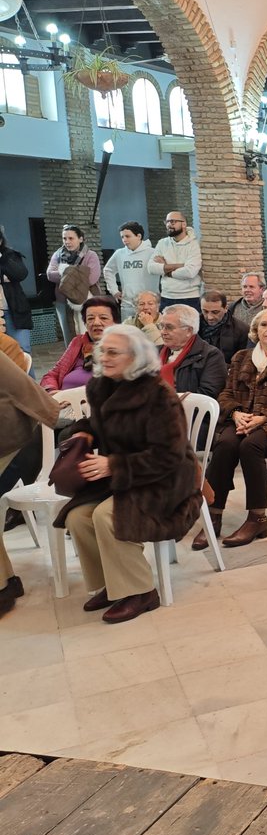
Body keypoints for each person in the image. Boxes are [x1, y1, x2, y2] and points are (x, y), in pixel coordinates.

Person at [55, 324, 201, 623]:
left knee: (106, 516)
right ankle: (113, 583)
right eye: (102, 351)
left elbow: (169, 456)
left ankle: (141, 592)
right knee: (77, 517)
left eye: (112, 352)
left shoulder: (158, 395)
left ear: (135, 357)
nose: (104, 357)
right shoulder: (102, 385)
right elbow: (97, 423)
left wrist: (113, 465)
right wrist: (84, 435)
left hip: (165, 480)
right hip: (127, 476)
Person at [195, 308, 267, 550]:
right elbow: (226, 394)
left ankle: (257, 517)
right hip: (243, 419)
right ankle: (214, 514)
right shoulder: (241, 357)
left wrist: (264, 417)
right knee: (225, 444)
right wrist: (236, 413)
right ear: (256, 331)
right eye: (264, 325)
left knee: (251, 446)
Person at [0, 352, 61, 617]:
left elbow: (19, 382)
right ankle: (7, 582)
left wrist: (52, 416)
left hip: (7, 428)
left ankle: (3, 589)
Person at [41, 296, 119, 392]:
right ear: (85, 323)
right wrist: (52, 391)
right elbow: (53, 375)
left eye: (103, 318)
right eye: (90, 318)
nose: (96, 323)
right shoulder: (78, 342)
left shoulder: (122, 348)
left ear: (115, 322)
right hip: (64, 402)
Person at [158, 304, 227, 398]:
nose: (163, 332)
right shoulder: (154, 352)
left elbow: (208, 393)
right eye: (161, 326)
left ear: (189, 331)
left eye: (169, 327)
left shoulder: (210, 355)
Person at [47, 224, 101, 339]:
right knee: (69, 334)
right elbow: (50, 274)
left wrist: (65, 271)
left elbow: (92, 278)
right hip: (63, 299)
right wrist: (79, 273)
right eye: (64, 238)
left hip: (88, 299)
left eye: (71, 238)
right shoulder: (58, 255)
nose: (67, 242)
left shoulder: (90, 255)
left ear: (80, 239)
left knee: (91, 333)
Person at [103, 221, 159, 321]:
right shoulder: (120, 253)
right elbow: (108, 270)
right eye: (122, 237)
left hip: (149, 305)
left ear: (138, 236)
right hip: (127, 304)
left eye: (127, 236)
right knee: (128, 334)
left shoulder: (153, 253)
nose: (124, 240)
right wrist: (114, 290)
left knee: (149, 332)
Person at [147, 211, 203, 311]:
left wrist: (166, 269)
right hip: (167, 296)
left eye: (173, 222)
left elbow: (190, 272)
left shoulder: (194, 244)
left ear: (184, 224)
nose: (169, 225)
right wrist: (180, 265)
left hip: (189, 296)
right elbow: (151, 268)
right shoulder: (162, 243)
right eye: (167, 222)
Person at [0, 229, 33, 358]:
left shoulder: (11, 255)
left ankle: (27, 379)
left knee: (22, 351)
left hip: (14, 311)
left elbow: (20, 274)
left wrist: (2, 258)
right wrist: (5, 278)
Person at [199, 291, 250, 364]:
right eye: (205, 311)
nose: (210, 317)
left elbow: (242, 361)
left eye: (215, 312)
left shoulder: (242, 329)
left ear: (226, 308)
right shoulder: (192, 327)